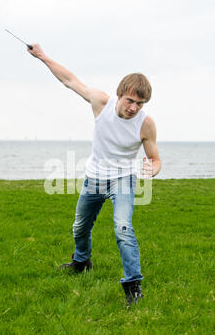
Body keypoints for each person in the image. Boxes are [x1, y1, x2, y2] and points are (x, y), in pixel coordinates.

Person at [27, 44, 162, 307]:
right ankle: (81, 262)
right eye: (130, 100)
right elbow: (69, 80)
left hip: (123, 179)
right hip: (95, 177)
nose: (134, 107)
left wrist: (153, 168)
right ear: (120, 94)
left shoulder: (146, 124)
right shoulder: (101, 102)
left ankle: (133, 286)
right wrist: (42, 56)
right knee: (80, 227)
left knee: (123, 228)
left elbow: (155, 158)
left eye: (140, 103)